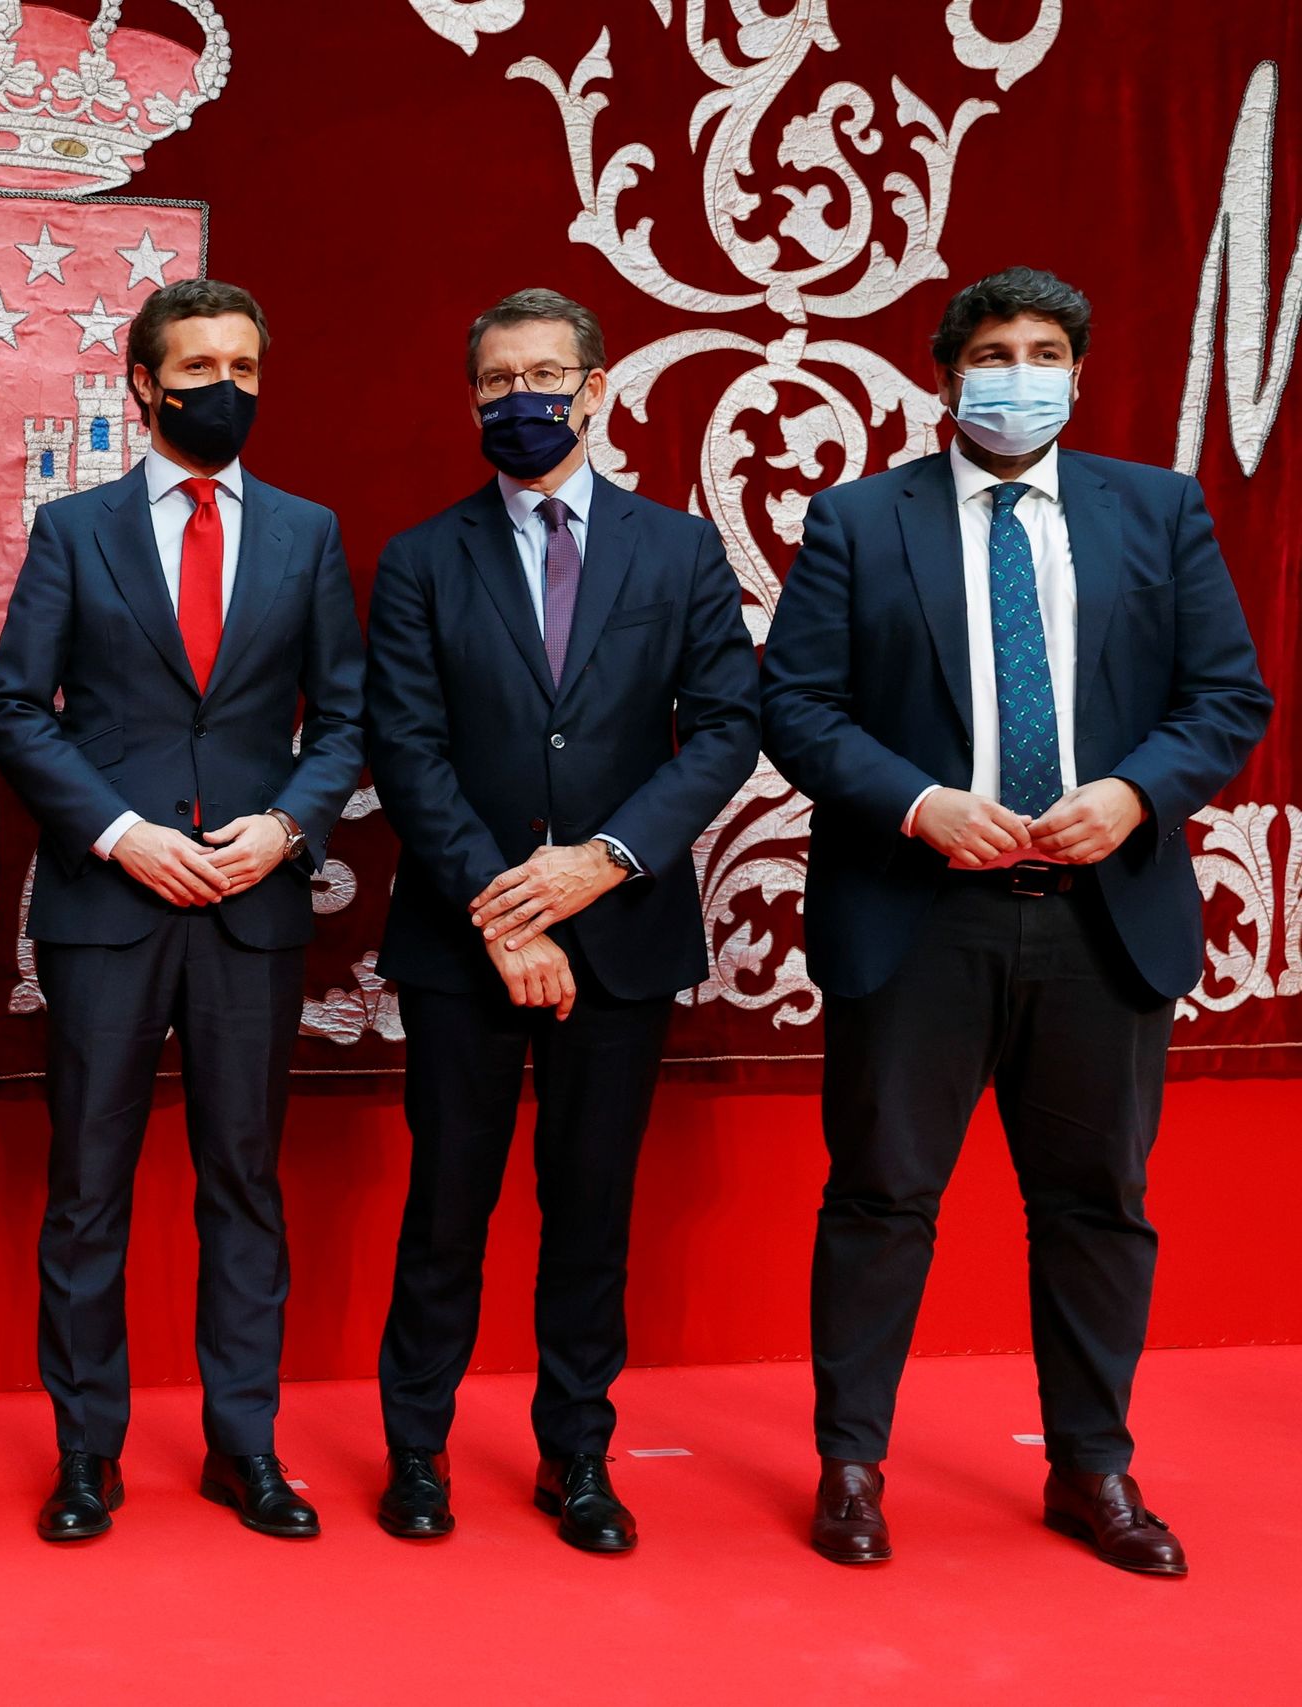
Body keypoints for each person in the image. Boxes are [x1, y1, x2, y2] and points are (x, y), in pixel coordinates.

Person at [760, 266, 1271, 1575]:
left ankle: (1093, 1467)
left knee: (1098, 1202)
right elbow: (797, 708)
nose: (1019, 373)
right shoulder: (860, 519)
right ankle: (851, 1464)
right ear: (947, 374)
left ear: (1078, 375)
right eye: (993, 352)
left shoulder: (1156, 511)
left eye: (1045, 350)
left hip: (1101, 915)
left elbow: (1226, 696)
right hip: (916, 912)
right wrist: (920, 803)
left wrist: (1134, 793)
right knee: (881, 1195)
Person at [361, 288, 759, 1551]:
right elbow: (406, 748)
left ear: (593, 388)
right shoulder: (421, 558)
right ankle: (416, 1452)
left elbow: (725, 730)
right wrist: (506, 911)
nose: (518, 398)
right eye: (495, 381)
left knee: (590, 1209)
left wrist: (603, 862)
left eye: (542, 376)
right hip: (462, 937)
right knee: (446, 1204)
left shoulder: (678, 550)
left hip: (620, 931)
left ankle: (576, 1458)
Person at [0, 278, 366, 1543]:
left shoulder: (307, 533)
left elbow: (345, 717)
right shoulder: (73, 530)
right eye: (199, 367)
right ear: (143, 385)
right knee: (87, 1187)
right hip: (108, 903)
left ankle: (244, 1447)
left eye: (244, 367)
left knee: (243, 1183)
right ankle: (85, 1454)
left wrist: (286, 826)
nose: (225, 388)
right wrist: (120, 832)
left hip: (251, 909)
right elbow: (14, 709)